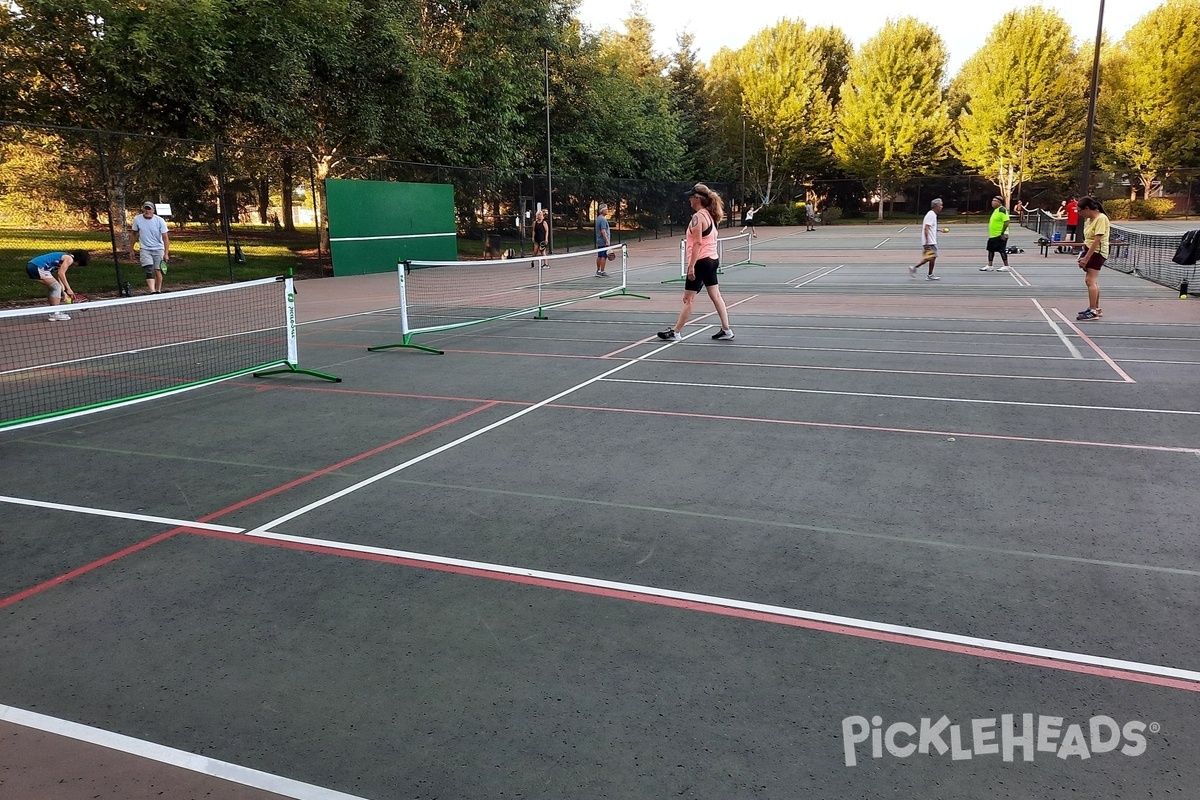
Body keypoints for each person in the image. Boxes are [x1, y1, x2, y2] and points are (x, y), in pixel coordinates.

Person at [657, 183, 735, 341]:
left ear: (698, 199)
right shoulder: (710, 215)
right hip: (712, 260)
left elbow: (698, 243)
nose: (689, 200)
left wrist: (691, 266)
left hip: (702, 261)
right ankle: (726, 330)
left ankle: (676, 332)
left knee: (688, 298)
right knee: (716, 295)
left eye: (691, 197)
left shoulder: (698, 217)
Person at [26, 250, 89, 321]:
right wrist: (69, 289)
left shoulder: (63, 258)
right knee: (56, 287)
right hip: (38, 266)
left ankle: (54, 311)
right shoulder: (69, 259)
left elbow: (59, 276)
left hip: (31, 265)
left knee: (54, 287)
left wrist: (64, 292)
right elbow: (61, 273)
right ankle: (55, 313)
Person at [1075, 196, 1110, 321]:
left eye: (1080, 211)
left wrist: (1087, 258)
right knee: (1092, 281)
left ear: (1087, 208)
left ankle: (1093, 310)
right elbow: (1088, 239)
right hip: (1089, 250)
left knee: (1090, 281)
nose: (1079, 214)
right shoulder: (1089, 219)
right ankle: (1096, 308)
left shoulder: (1101, 218)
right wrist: (1082, 255)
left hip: (1097, 252)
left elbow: (1097, 240)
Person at [130, 201, 170, 293]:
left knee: (157, 270)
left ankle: (158, 290)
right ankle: (152, 291)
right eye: (146, 208)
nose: (147, 211)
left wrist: (166, 253)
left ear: (153, 210)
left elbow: (165, 238)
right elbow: (133, 234)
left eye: (149, 209)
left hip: (158, 248)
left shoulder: (160, 220)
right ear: (143, 209)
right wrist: (131, 249)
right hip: (145, 248)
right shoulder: (137, 219)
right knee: (148, 269)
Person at [908, 198, 943, 281]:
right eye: (940, 205)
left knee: (931, 257)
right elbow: (926, 228)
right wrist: (927, 241)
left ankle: (927, 273)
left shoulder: (932, 214)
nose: (941, 206)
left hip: (931, 241)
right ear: (936, 206)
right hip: (930, 241)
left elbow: (930, 227)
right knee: (931, 257)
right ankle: (917, 269)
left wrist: (939, 230)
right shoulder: (931, 214)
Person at [980, 196, 1011, 271]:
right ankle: (990, 266)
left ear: (999, 202)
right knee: (990, 250)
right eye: (992, 200)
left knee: (1001, 250)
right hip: (993, 235)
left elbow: (1006, 222)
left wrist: (1002, 233)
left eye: (994, 201)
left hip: (1000, 234)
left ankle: (1006, 266)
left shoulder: (1002, 210)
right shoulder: (996, 210)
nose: (992, 202)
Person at [594, 203, 612, 277]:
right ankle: (602, 271)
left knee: (599, 255)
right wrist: (607, 240)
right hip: (603, 241)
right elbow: (603, 231)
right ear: (603, 210)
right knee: (603, 256)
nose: (607, 210)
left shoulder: (598, 218)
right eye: (606, 209)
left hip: (599, 241)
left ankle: (598, 270)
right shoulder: (603, 220)